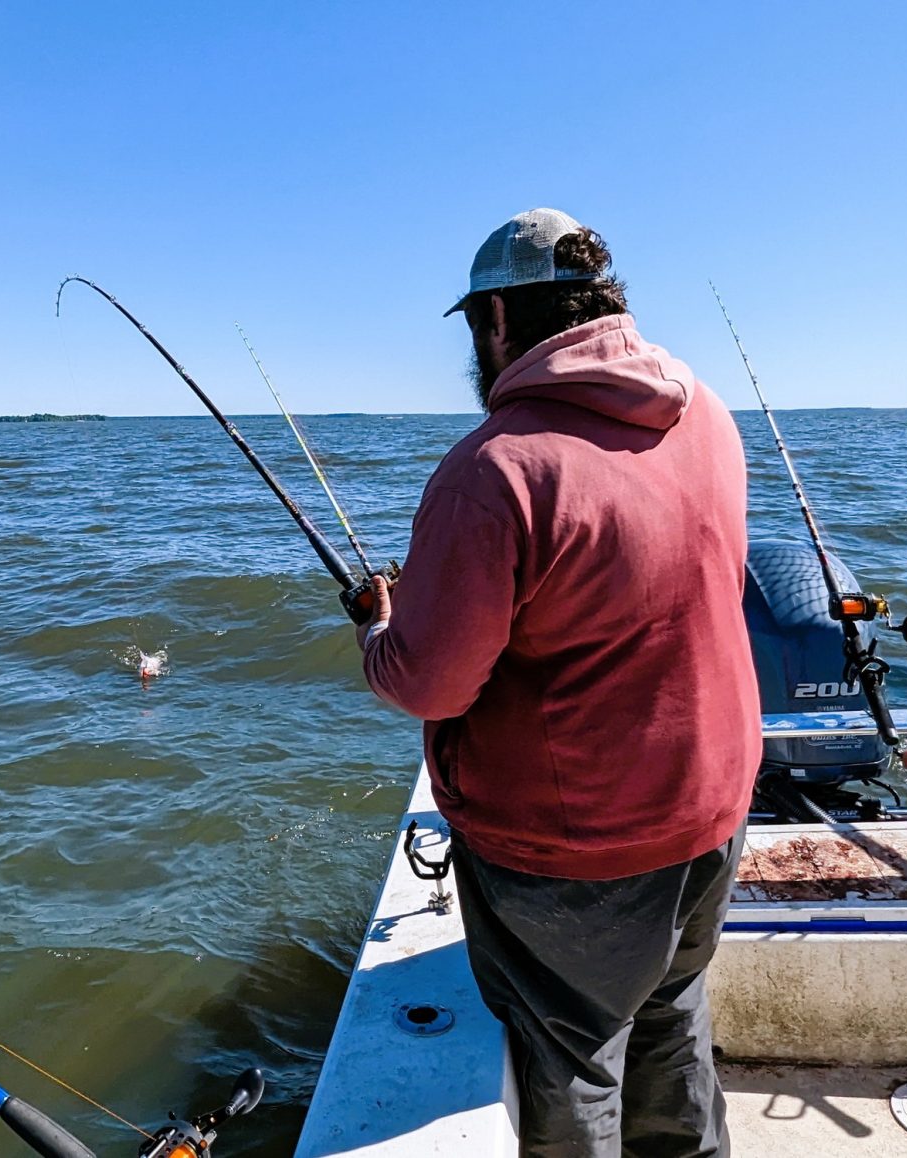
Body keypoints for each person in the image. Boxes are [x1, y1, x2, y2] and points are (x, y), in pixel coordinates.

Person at [357, 208, 761, 1157]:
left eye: (474, 325)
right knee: (673, 1011)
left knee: (572, 1056)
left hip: (578, 849)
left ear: (497, 317)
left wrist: (378, 627)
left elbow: (428, 685)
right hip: (712, 808)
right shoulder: (705, 412)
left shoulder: (493, 469)